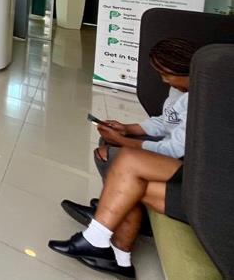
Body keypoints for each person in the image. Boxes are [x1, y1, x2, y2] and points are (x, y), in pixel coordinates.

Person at [61, 38, 196, 228]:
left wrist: (122, 141)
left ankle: (117, 214)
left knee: (108, 154)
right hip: (170, 143)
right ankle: (114, 207)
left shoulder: (198, 101)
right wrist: (127, 129)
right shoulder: (179, 89)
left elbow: (173, 150)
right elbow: (166, 121)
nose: (164, 80)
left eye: (167, 75)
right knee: (107, 141)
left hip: (180, 161)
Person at [49, 148, 184, 278]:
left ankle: (98, 234)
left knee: (129, 173)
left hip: (195, 196)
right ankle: (120, 259)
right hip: (192, 174)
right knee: (127, 161)